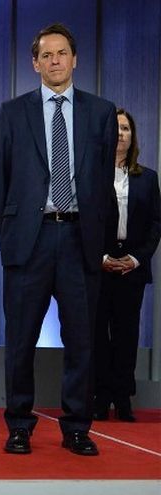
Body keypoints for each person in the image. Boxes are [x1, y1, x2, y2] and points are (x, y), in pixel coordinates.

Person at [0, 23, 117, 456]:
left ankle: (77, 426)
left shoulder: (101, 112)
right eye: (46, 55)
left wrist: (100, 240)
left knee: (81, 340)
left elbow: (102, 183)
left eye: (62, 53)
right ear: (35, 63)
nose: (55, 61)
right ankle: (19, 425)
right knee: (21, 340)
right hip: (30, 240)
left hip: (81, 239)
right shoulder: (12, 112)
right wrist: (9, 238)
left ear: (75, 59)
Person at [93, 109, 160, 422]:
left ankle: (122, 398)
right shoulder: (92, 174)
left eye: (125, 129)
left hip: (132, 267)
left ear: (133, 136)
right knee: (97, 335)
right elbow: (84, 222)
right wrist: (102, 258)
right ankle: (100, 396)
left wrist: (135, 259)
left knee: (126, 335)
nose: (120, 134)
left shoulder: (148, 177)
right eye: (116, 128)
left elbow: (155, 225)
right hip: (99, 266)